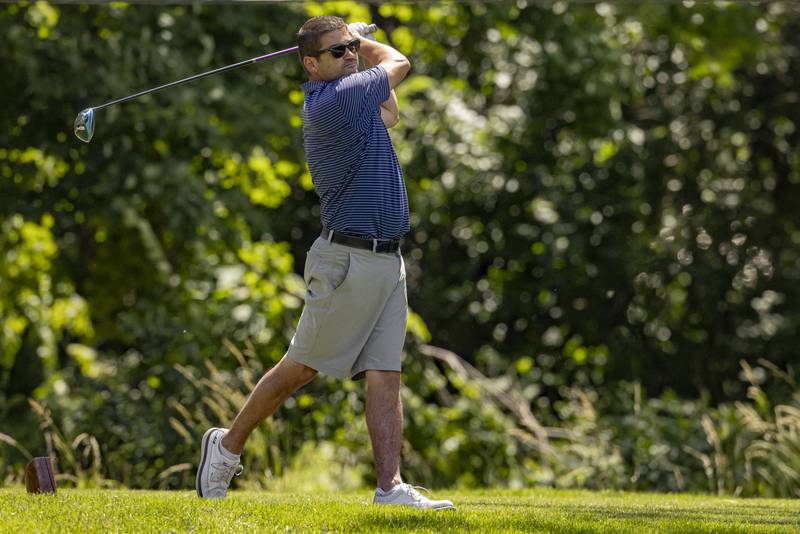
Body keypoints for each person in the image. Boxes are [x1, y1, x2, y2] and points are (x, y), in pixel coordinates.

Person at [195, 16, 454, 511]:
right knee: (302, 366)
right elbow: (399, 62)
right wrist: (366, 37)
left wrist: (353, 42)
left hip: (385, 258)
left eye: (351, 49)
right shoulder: (335, 101)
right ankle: (226, 447)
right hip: (347, 261)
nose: (350, 55)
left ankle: (390, 488)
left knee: (385, 371)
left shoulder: (354, 94)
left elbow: (391, 115)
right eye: (339, 51)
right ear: (310, 64)